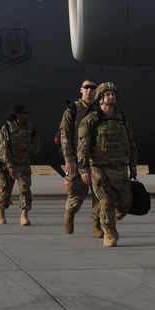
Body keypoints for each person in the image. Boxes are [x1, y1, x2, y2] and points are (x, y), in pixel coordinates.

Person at [78, 82, 138, 247]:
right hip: (99, 168)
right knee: (107, 200)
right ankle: (109, 231)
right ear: (100, 98)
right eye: (107, 94)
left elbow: (130, 143)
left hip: (120, 168)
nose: (111, 97)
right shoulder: (91, 119)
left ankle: (104, 217)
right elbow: (83, 146)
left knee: (126, 202)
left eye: (113, 94)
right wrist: (83, 169)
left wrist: (133, 166)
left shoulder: (122, 118)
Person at [60, 77, 102, 236]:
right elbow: (65, 135)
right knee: (76, 195)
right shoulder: (72, 110)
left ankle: (96, 225)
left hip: (97, 160)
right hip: (78, 160)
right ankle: (70, 213)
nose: (89, 90)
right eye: (87, 87)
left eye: (93, 88)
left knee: (100, 194)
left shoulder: (101, 110)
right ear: (81, 89)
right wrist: (69, 159)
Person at [0, 105, 41, 226]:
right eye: (25, 113)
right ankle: (0, 212)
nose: (28, 115)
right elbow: (3, 149)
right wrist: (10, 166)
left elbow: (37, 147)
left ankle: (24, 215)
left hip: (24, 164)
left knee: (25, 190)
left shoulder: (31, 129)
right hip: (8, 166)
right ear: (18, 115)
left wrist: (27, 147)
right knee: (4, 191)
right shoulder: (6, 128)